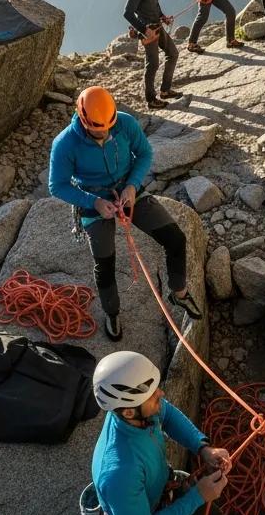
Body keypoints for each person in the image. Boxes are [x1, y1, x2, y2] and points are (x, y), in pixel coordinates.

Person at [49, 86, 203, 341]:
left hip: (128, 189)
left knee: (175, 238)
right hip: (93, 200)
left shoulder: (125, 123)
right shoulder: (65, 143)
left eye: (108, 127)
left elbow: (144, 153)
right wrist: (94, 201)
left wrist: (132, 185)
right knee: (105, 262)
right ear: (83, 119)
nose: (104, 133)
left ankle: (180, 294)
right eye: (97, 129)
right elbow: (57, 185)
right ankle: (112, 312)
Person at [92, 351, 229, 515]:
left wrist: (203, 448)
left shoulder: (134, 413)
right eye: (152, 395)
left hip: (161, 492)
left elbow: (168, 415)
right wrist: (198, 496)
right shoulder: (119, 476)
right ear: (128, 412)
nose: (161, 394)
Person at [124, 0, 182, 109]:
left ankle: (165, 90)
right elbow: (127, 13)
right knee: (153, 63)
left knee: (173, 53)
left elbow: (155, 4)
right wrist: (144, 30)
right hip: (147, 30)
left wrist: (163, 16)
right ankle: (151, 100)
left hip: (157, 25)